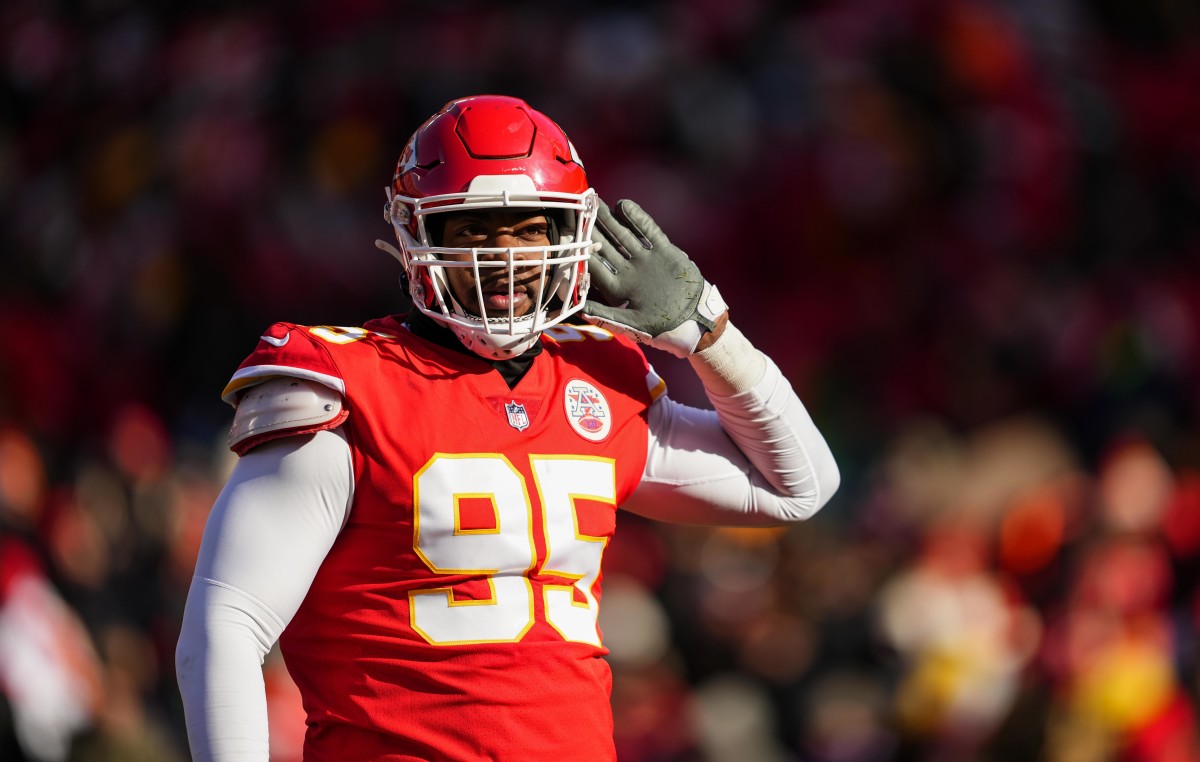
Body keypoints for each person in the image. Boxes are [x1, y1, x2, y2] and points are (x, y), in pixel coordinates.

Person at [175, 94, 840, 761]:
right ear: (416, 236)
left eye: (530, 228)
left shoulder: (598, 378)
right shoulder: (347, 385)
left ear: (573, 236)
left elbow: (798, 487)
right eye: (474, 229)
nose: (505, 256)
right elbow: (227, 624)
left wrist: (709, 333)